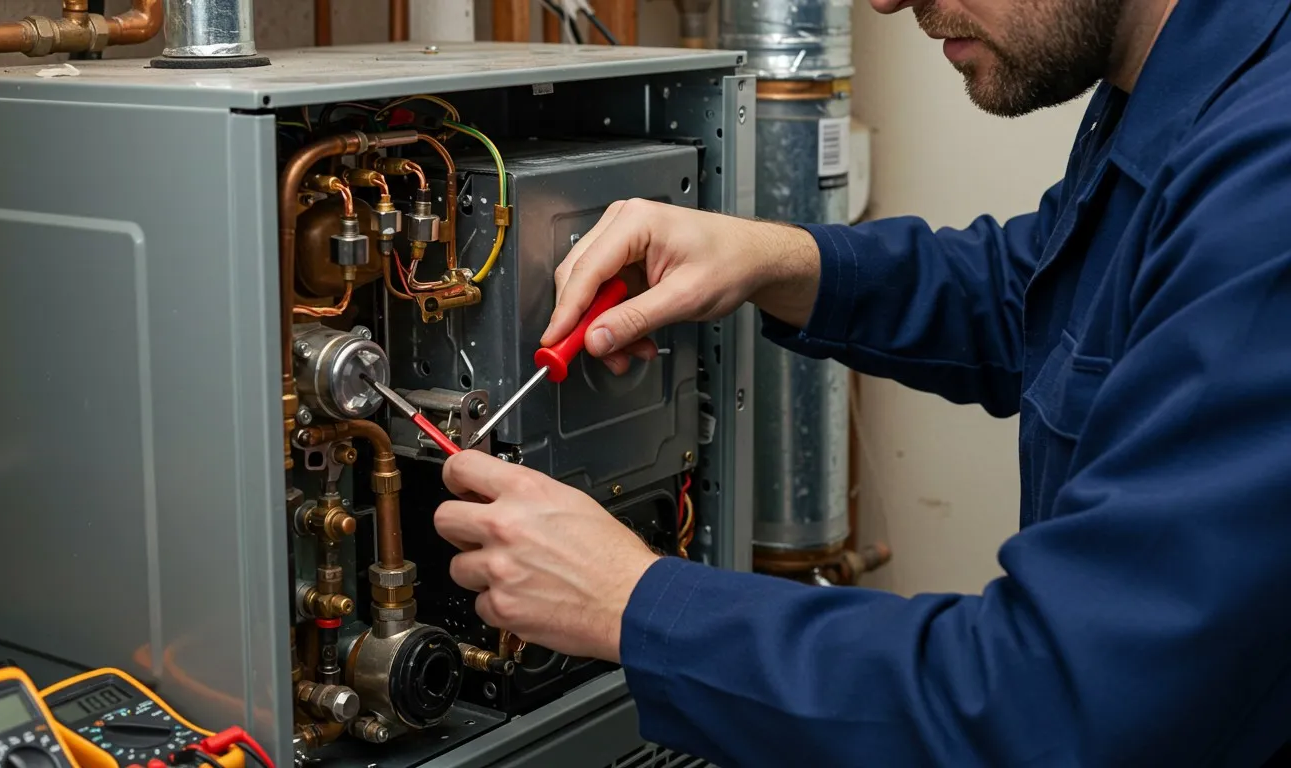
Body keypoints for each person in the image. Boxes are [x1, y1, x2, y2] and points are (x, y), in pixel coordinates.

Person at [434, 0, 1291, 763]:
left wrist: (632, 601)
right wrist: (779, 259)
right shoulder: (1166, 88)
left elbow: (1055, 703)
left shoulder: (1265, 177)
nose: (885, 2)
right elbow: (1036, 294)